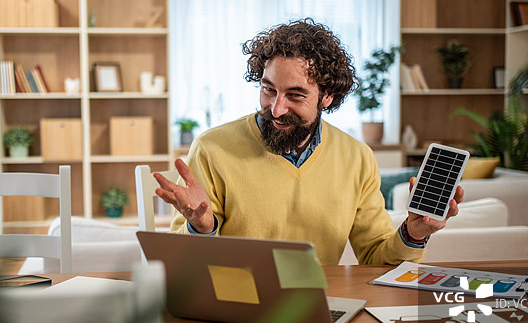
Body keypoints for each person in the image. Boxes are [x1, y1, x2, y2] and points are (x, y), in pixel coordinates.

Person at [153, 18, 463, 265]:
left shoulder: (356, 158)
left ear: (327, 96)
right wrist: (202, 228)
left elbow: (376, 258)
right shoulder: (212, 149)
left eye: (295, 95)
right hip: (235, 305)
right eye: (268, 89)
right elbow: (184, 265)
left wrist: (413, 234)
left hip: (317, 303)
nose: (276, 108)